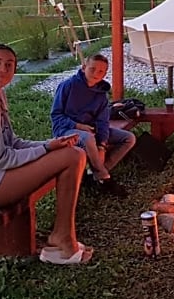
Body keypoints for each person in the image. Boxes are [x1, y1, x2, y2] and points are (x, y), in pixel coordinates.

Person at [0, 44, 92, 265]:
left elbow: (12, 142)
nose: (3, 69)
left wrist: (49, 144)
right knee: (73, 157)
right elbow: (0, 158)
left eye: (9, 65)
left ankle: (62, 237)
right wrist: (45, 150)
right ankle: (62, 238)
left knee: (71, 153)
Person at [51, 53, 135, 197]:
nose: (96, 73)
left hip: (92, 131)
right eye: (92, 69)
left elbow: (102, 121)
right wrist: (78, 126)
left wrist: (102, 144)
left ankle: (94, 174)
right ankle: (105, 178)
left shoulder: (101, 94)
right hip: (67, 130)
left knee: (129, 138)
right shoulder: (68, 86)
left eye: (101, 71)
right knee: (88, 138)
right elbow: (56, 115)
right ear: (84, 68)